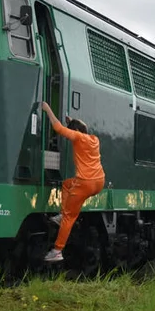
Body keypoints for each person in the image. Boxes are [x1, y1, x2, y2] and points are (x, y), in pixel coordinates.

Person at [40, 101, 105, 262]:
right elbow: (77, 129)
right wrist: (71, 122)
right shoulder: (94, 139)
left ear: (75, 131)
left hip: (85, 183)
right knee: (67, 184)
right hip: (99, 182)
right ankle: (62, 215)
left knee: (70, 217)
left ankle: (57, 251)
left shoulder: (77, 137)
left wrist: (47, 109)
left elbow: (58, 128)